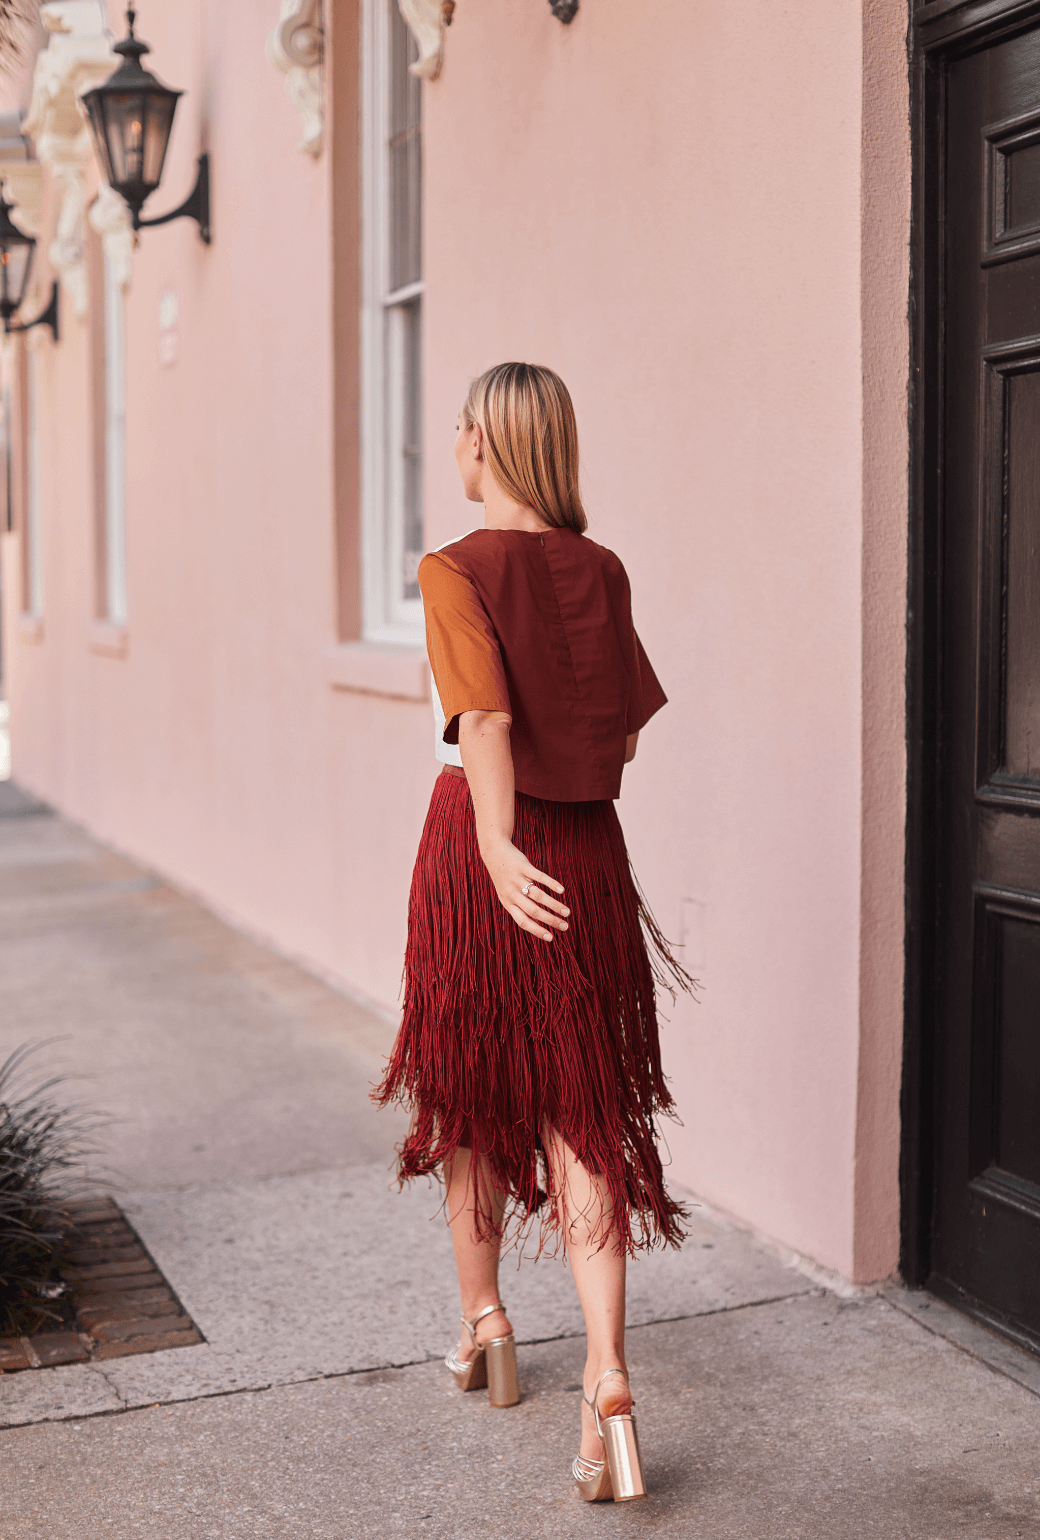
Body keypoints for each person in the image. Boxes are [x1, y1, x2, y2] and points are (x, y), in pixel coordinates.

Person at [375, 361, 692, 1504]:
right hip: (590, 854)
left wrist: (501, 848)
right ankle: (607, 1378)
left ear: (489, 445)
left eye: (461, 427)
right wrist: (555, 819)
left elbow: (486, 718)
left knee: (467, 1086)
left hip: (483, 849)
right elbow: (627, 731)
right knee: (579, 1103)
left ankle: (485, 1323)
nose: (452, 443)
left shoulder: (452, 567)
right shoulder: (599, 571)